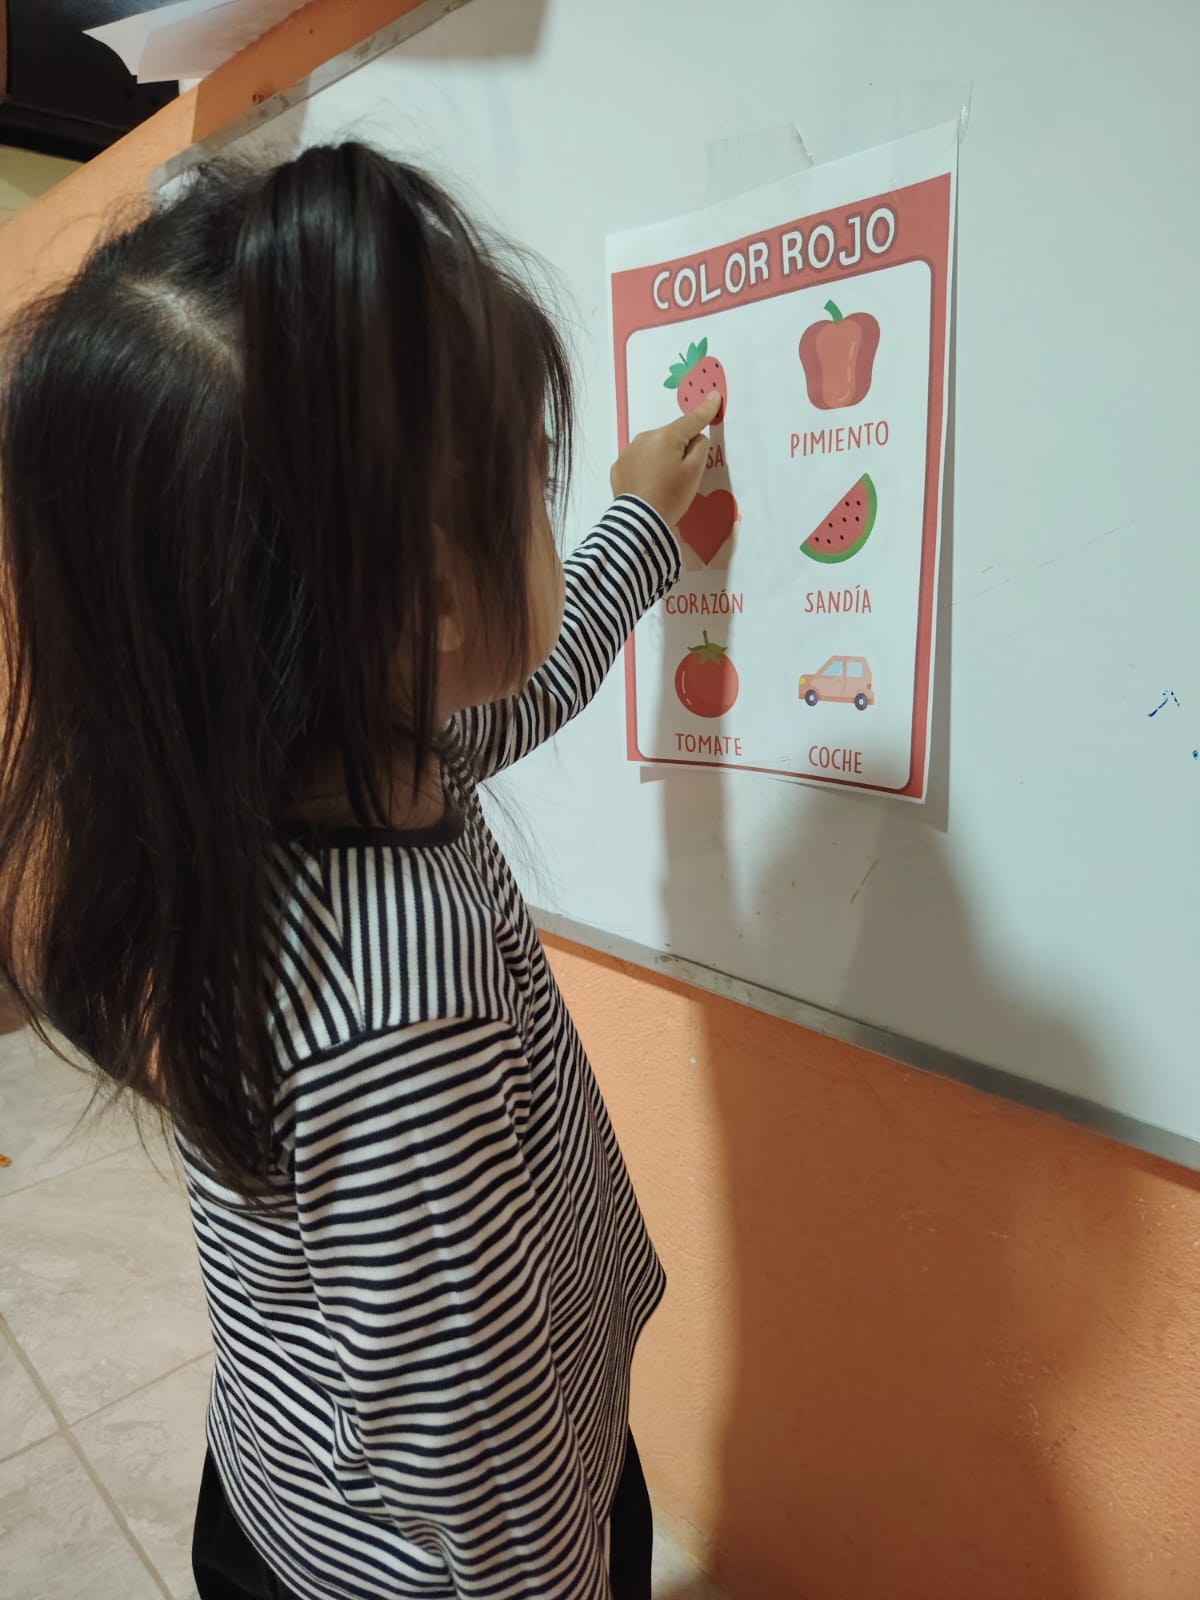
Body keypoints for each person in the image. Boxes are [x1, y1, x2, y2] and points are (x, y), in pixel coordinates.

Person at [0, 141, 720, 1599]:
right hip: (434, 1563)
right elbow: (486, 1474)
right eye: (536, 483)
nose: (550, 502)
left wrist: (640, 529)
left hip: (292, 1479)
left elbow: (531, 682)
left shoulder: (270, 765)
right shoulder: (403, 1020)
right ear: (435, 603)